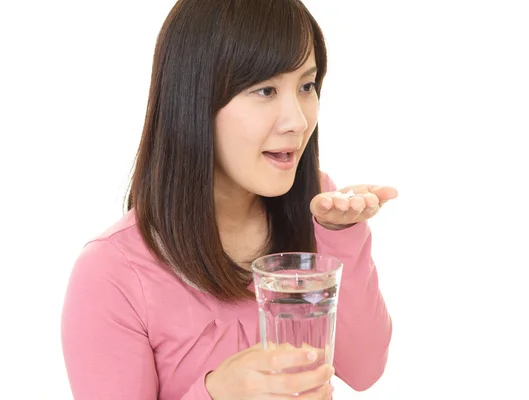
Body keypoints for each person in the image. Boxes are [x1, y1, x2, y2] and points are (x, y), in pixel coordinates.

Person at [61, 0, 398, 399]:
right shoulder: (112, 272)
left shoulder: (316, 209)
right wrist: (216, 394)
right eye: (266, 90)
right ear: (194, 101)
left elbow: (364, 370)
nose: (298, 120)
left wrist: (339, 234)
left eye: (307, 86)